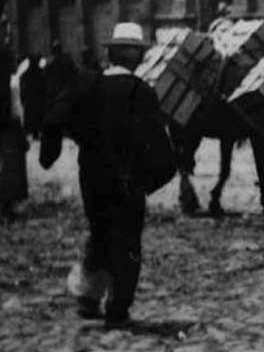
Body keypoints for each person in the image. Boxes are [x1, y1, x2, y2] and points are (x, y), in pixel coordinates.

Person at [37, 23, 169, 324]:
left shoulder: (87, 84)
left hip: (93, 180)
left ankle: (89, 297)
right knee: (128, 242)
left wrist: (49, 155)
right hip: (128, 181)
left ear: (108, 53)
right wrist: (147, 183)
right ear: (138, 58)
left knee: (99, 233)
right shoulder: (142, 92)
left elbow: (54, 118)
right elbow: (162, 151)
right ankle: (118, 307)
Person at [1, 42, 26, 219]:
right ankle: (8, 204)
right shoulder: (12, 84)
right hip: (8, 124)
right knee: (10, 165)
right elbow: (16, 109)